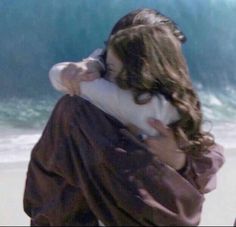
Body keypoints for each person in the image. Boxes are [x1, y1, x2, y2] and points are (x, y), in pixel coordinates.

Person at [24, 8, 224, 226]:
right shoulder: (172, 105)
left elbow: (62, 75)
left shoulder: (100, 104)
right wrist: (180, 160)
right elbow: (206, 161)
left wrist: (93, 63)